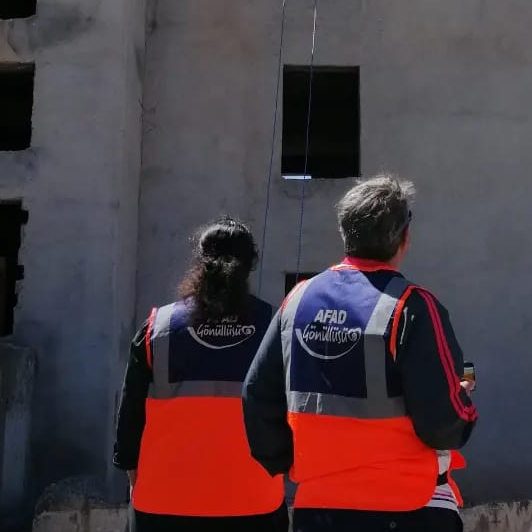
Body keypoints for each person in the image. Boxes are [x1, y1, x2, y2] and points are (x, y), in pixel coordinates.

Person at [242, 175, 478, 532]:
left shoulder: (298, 300)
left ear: (344, 233)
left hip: (317, 509)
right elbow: (442, 424)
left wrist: (291, 464)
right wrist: (463, 402)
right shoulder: (412, 306)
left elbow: (257, 396)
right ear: (404, 238)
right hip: (408, 508)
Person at [113, 218, 287, 532]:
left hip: (162, 503)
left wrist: (134, 478)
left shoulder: (158, 326)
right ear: (250, 266)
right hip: (253, 503)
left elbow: (130, 416)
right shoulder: (275, 326)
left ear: (200, 262)